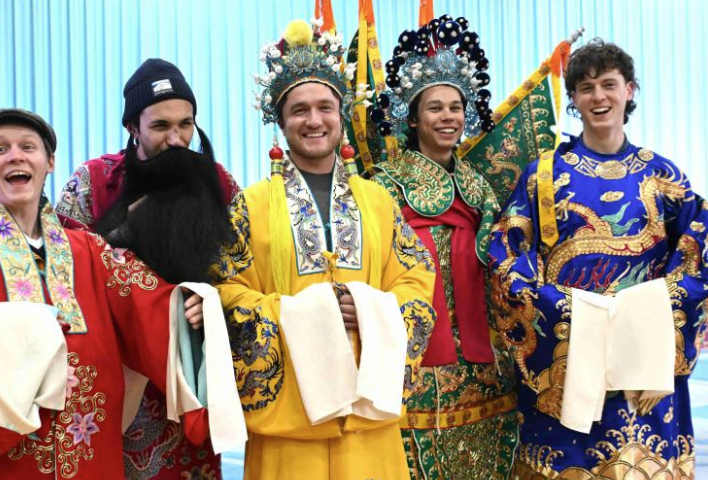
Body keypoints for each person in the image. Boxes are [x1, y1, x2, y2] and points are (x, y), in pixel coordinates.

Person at [0, 108, 243, 480]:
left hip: (86, 445)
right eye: (0, 149)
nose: (16, 155)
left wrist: (191, 306)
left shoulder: (90, 251)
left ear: (49, 162)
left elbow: (148, 305)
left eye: (28, 147)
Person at [212, 19, 436, 480]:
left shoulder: (378, 201)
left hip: (367, 418)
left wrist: (372, 309)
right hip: (290, 422)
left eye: (324, 108)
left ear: (342, 116)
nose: (313, 121)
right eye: (299, 110)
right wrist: (304, 314)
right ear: (281, 122)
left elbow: (415, 280)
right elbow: (226, 291)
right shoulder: (248, 206)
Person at [489, 39, 707, 479]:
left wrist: (656, 340)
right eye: (585, 88)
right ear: (573, 100)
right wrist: (566, 313)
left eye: (609, 84)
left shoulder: (664, 177)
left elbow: (697, 258)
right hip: (566, 360)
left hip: (644, 374)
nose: (598, 96)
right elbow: (508, 259)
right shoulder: (543, 176)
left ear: (630, 90)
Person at [56, 59, 238, 480]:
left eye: (186, 125)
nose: (176, 140)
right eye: (160, 126)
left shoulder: (219, 183)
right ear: (133, 127)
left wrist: (212, 300)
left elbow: (241, 267)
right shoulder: (93, 181)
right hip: (114, 370)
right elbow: (63, 273)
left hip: (189, 371)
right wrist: (126, 230)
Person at [369, 15, 519, 480]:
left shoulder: (480, 188)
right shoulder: (383, 186)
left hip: (485, 366)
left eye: (456, 107)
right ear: (412, 118)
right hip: (413, 365)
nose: (448, 117)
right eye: (435, 108)